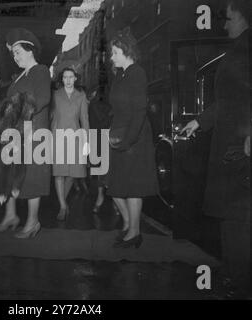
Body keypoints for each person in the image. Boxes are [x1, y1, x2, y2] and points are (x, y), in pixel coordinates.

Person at [181, 0, 250, 291]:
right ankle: (233, 274)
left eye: (230, 18)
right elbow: (226, 100)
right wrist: (200, 121)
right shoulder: (239, 49)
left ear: (246, 18)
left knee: (237, 215)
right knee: (230, 215)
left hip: (241, 144)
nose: (224, 24)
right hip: (229, 140)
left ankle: (239, 280)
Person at [0, 28, 51, 238]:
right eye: (13, 53)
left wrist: (17, 114)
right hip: (16, 133)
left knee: (32, 178)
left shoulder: (41, 70)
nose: (15, 57)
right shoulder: (19, 78)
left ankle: (33, 222)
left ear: (30, 50)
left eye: (18, 52)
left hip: (33, 133)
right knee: (10, 173)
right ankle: (10, 216)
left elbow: (43, 98)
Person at [107, 29, 158, 249]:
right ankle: (130, 227)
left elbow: (139, 111)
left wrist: (128, 140)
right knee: (119, 184)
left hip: (135, 138)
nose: (112, 56)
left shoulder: (137, 73)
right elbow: (117, 109)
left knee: (133, 186)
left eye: (115, 52)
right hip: (121, 134)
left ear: (126, 51)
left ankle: (134, 233)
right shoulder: (121, 75)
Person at [51, 67, 90, 220]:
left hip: (75, 138)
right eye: (65, 77)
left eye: (71, 77)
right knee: (59, 173)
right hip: (58, 137)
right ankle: (62, 206)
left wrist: (86, 141)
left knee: (73, 173)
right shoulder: (55, 95)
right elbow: (51, 117)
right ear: (62, 79)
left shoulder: (81, 96)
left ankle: (63, 201)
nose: (68, 80)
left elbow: (85, 120)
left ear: (75, 79)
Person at [87, 86, 112, 213]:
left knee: (105, 169)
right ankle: (105, 198)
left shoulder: (96, 102)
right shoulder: (94, 103)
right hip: (100, 137)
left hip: (106, 137)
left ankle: (105, 197)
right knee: (102, 169)